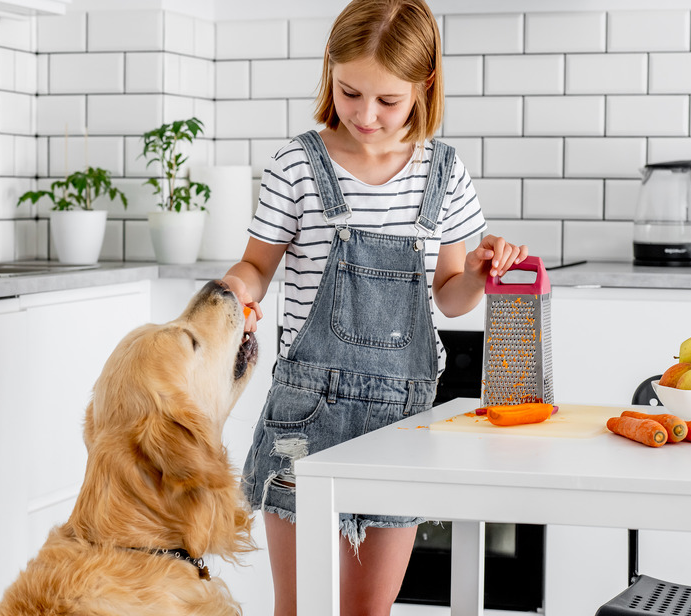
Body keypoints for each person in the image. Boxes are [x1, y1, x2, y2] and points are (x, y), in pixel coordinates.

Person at [223, 0, 528, 613]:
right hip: (303, 417)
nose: (365, 115)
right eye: (349, 92)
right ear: (329, 75)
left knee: (370, 611)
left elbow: (450, 296)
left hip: (401, 423)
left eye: (388, 101)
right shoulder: (295, 166)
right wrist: (234, 293)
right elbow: (257, 266)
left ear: (425, 86)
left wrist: (475, 273)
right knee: (301, 607)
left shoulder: (443, 174)